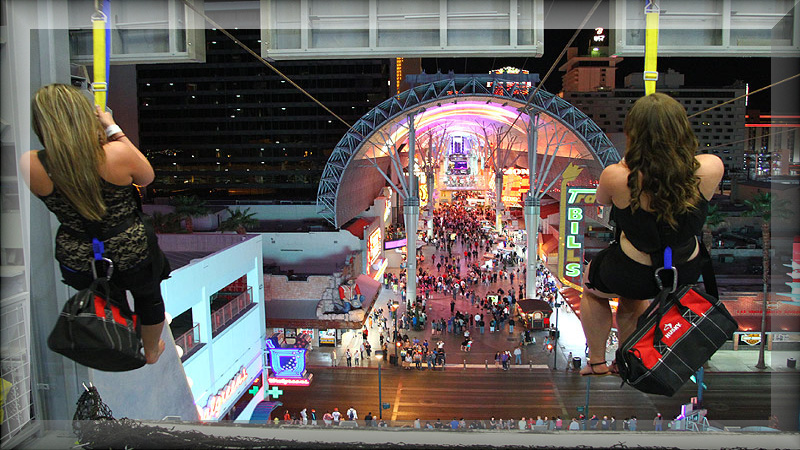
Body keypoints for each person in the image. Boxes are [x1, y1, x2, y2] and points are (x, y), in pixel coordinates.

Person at [20, 84, 171, 365]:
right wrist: (113, 128)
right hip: (131, 252)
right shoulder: (114, 154)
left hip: (78, 257)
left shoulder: (31, 163)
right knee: (148, 297)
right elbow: (146, 176)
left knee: (104, 296)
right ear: (84, 116)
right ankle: (150, 351)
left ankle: (110, 336)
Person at [579, 93, 724, 376]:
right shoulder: (710, 166)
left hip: (632, 268)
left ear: (633, 135)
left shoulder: (618, 175)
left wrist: (630, 161)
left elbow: (603, 200)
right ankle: (629, 361)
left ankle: (597, 361)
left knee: (593, 290)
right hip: (684, 268)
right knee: (633, 301)